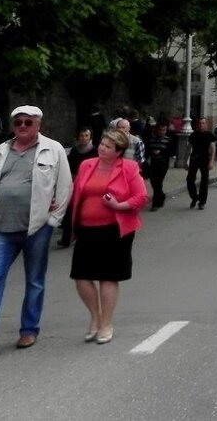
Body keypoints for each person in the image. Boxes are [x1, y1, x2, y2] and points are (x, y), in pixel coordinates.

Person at [0, 105, 72, 359]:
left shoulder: (53, 149)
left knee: (34, 281)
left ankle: (29, 329)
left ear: (38, 125)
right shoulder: (0, 151)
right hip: (1, 229)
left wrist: (54, 219)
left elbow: (65, 187)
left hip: (36, 228)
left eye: (28, 122)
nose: (22, 126)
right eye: (18, 122)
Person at [68, 128, 148, 345]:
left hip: (114, 229)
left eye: (107, 146)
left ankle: (106, 323)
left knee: (108, 277)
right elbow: (76, 191)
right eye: (101, 144)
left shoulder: (129, 168)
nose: (102, 148)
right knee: (81, 276)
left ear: (118, 151)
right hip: (86, 228)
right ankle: (95, 317)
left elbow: (141, 197)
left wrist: (119, 205)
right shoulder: (87, 165)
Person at [58, 128, 98, 247]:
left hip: (89, 184)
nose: (84, 138)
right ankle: (66, 238)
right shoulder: (74, 151)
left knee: (86, 211)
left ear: (90, 137)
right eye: (82, 135)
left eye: (86, 135)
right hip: (74, 183)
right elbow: (69, 167)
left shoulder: (95, 151)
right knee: (70, 211)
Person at [186, 117, 215, 210]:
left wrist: (211, 161)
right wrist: (184, 161)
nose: (201, 125)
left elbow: (213, 149)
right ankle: (194, 197)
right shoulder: (193, 135)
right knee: (190, 179)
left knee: (204, 181)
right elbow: (188, 148)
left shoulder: (209, 135)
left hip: (205, 159)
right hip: (194, 158)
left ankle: (202, 201)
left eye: (203, 123)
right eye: (200, 123)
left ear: (206, 124)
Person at [146, 119, 174, 210]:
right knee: (154, 183)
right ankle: (161, 196)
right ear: (157, 130)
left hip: (163, 165)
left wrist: (160, 152)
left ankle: (155, 204)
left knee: (158, 183)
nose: (162, 132)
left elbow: (170, 153)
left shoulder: (168, 140)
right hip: (153, 164)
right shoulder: (151, 139)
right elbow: (147, 152)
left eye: (164, 130)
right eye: (160, 130)